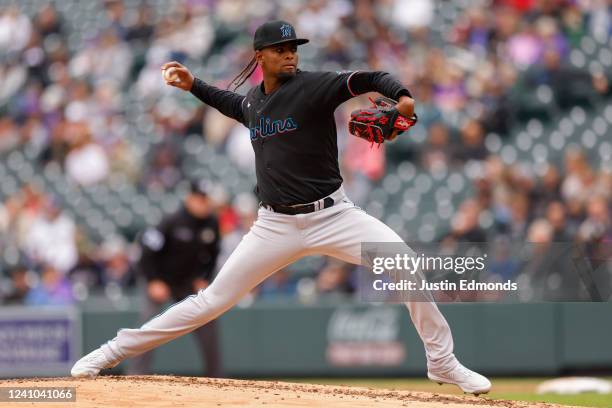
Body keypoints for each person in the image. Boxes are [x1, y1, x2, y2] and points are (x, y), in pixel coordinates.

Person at [71, 20, 491, 395]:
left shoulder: (314, 86)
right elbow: (229, 103)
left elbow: (370, 77)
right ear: (260, 56)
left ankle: (442, 361)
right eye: (281, 49)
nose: (290, 54)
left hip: (334, 216)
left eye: (294, 48)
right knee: (210, 301)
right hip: (274, 226)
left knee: (402, 261)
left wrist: (402, 98)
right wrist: (193, 84)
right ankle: (109, 353)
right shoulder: (254, 102)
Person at [129, 181, 222, 377]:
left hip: (188, 284)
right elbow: (146, 252)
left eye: (207, 200)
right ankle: (136, 375)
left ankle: (216, 378)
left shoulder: (212, 223)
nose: (204, 203)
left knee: (208, 323)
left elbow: (213, 256)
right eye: (200, 199)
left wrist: (204, 278)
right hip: (162, 281)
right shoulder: (171, 221)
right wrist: (153, 280)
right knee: (148, 327)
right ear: (190, 198)